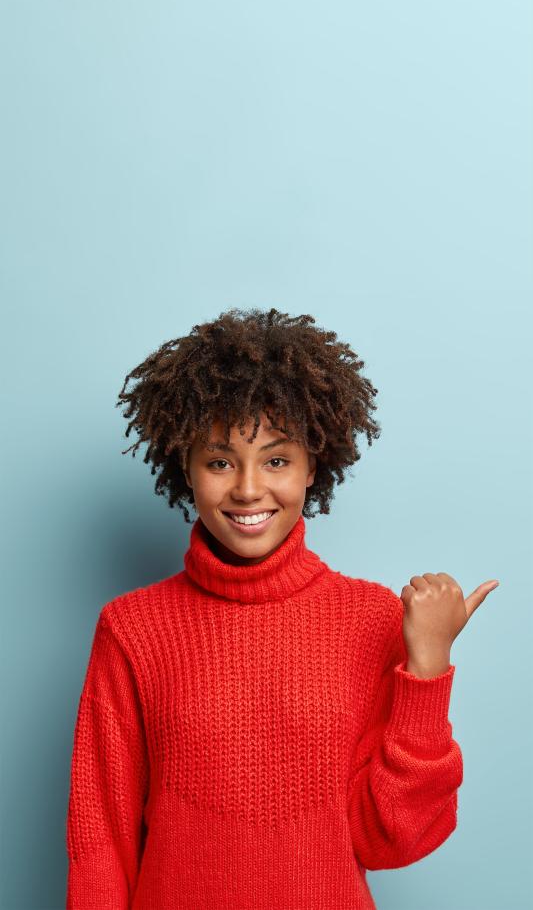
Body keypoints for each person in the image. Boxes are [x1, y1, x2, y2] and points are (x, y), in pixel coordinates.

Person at [65, 306, 498, 910]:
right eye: (219, 461)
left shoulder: (373, 620)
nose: (247, 488)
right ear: (184, 467)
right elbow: (99, 843)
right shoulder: (133, 628)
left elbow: (393, 840)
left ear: (312, 466)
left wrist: (428, 669)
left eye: (276, 459)